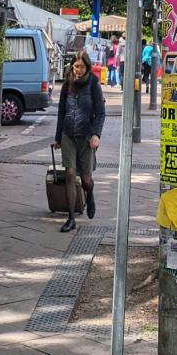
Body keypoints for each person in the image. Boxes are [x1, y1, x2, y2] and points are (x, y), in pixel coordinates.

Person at [54, 51, 106, 232]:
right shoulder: (67, 84)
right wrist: (57, 137)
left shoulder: (93, 85)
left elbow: (100, 113)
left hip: (86, 136)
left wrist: (96, 134)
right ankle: (71, 218)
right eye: (76, 66)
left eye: (82, 67)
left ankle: (89, 193)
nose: (78, 70)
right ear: (72, 66)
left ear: (87, 67)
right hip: (68, 133)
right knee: (69, 174)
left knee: (85, 179)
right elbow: (61, 111)